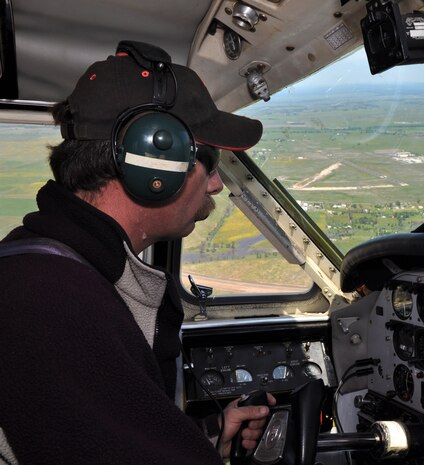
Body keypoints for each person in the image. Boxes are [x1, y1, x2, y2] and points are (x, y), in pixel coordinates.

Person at [0, 41, 275, 464]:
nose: (217, 184)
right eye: (210, 159)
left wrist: (205, 440)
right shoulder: (52, 304)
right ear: (153, 160)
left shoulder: (58, 270)